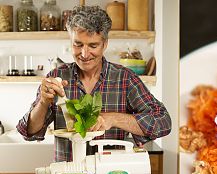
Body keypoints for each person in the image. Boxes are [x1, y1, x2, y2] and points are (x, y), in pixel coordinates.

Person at [17, 5, 171, 162]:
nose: (84, 54)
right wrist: (43, 102)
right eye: (78, 44)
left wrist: (113, 119)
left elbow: (163, 121)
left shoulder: (124, 79)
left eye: (93, 45)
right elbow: (27, 132)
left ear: (104, 44)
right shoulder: (57, 77)